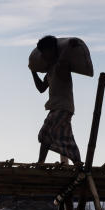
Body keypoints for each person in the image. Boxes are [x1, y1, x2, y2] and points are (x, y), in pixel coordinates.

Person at [31, 35, 81, 164]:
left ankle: (40, 162)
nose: (43, 55)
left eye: (45, 52)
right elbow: (41, 88)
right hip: (56, 107)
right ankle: (78, 163)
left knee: (45, 134)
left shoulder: (62, 65)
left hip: (63, 107)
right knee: (67, 138)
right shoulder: (50, 70)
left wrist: (69, 47)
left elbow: (62, 61)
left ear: (52, 50)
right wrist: (33, 71)